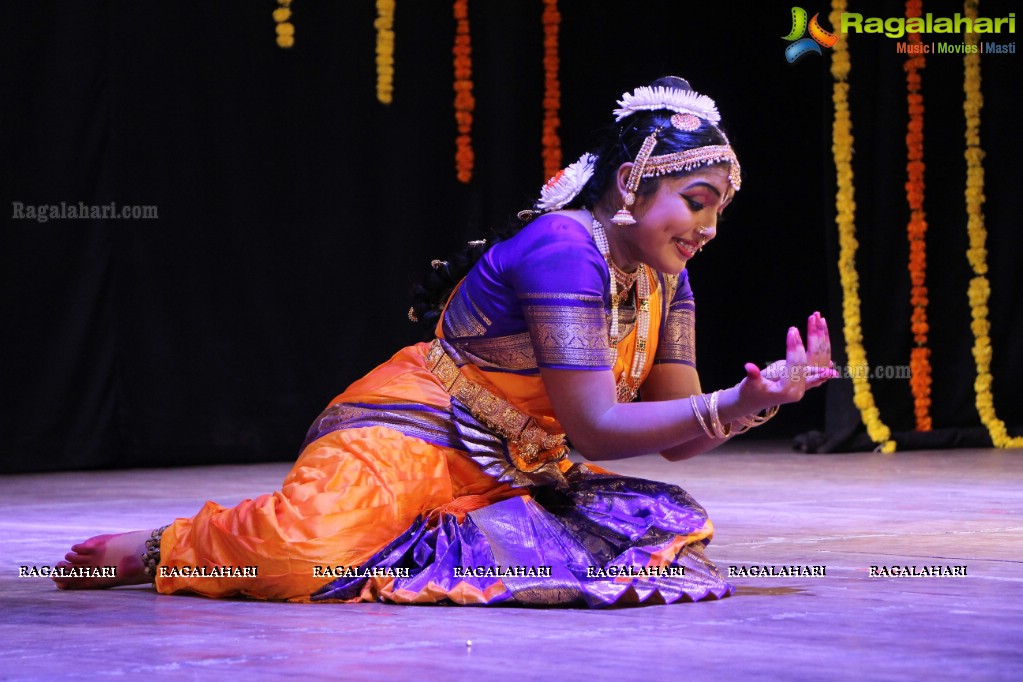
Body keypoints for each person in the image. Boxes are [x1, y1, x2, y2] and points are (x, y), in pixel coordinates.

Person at [54, 76, 837, 607]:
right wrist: (730, 401)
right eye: (695, 201)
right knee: (306, 559)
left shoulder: (665, 278)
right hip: (413, 432)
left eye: (718, 211)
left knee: (657, 531)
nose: (706, 228)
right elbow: (599, 427)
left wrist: (758, 403)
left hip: (514, 464)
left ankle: (427, 535)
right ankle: (168, 546)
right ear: (632, 183)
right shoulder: (566, 247)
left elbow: (673, 438)